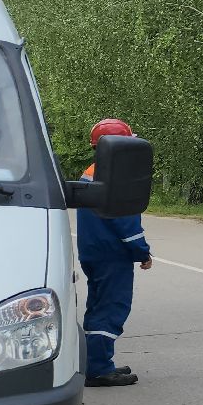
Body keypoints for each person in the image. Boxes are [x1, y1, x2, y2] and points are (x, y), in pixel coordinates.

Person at [75, 118, 150, 388]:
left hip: (95, 254)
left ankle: (96, 363)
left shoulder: (93, 171)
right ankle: (99, 370)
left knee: (97, 307)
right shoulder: (117, 178)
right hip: (112, 256)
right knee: (111, 308)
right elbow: (126, 223)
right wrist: (143, 252)